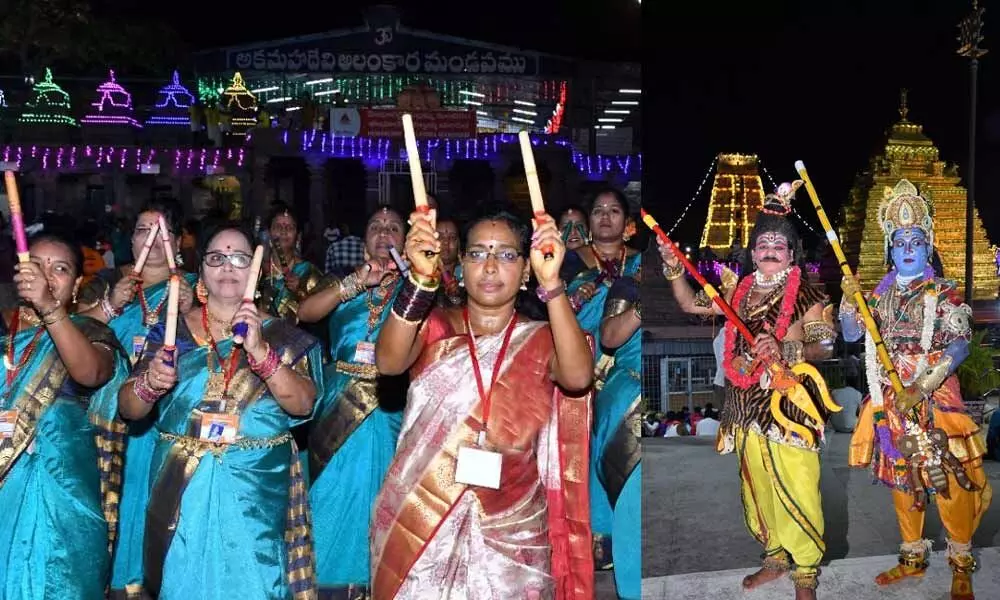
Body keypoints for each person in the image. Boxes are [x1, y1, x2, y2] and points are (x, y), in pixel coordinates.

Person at [371, 207, 594, 598]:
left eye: (507, 255)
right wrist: (420, 282)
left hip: (515, 526)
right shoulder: (435, 328)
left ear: (527, 269)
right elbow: (388, 362)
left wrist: (554, 285)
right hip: (422, 518)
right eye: (477, 253)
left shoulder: (543, 338)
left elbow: (578, 377)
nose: (490, 267)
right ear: (460, 266)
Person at [116, 222, 324, 598]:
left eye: (239, 258)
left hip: (256, 491)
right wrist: (150, 384)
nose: (227, 266)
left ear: (256, 273)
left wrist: (261, 352)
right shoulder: (172, 333)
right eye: (216, 257)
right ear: (202, 271)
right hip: (181, 489)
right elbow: (128, 408)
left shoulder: (283, 335)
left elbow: (304, 403)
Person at [660, 180, 836, 599]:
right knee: (757, 487)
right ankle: (775, 556)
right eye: (762, 244)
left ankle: (806, 571)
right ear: (752, 252)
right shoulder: (735, 292)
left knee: (797, 487)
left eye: (779, 244)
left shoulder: (808, 293)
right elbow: (688, 304)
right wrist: (672, 266)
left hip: (787, 407)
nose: (770, 249)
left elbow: (827, 344)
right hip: (744, 407)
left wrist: (787, 346)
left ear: (792, 253)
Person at [841, 180, 991, 600]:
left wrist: (922, 385)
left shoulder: (942, 292)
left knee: (951, 479)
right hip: (890, 399)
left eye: (917, 241)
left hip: (935, 394)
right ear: (890, 248)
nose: (908, 248)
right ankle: (912, 555)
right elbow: (853, 334)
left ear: (928, 248)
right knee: (903, 478)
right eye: (901, 241)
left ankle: (961, 559)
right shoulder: (878, 296)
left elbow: (960, 344)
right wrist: (849, 301)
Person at [1, 229, 129, 598]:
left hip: (62, 502)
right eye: (36, 265)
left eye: (59, 269)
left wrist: (50, 309)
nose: (45, 275)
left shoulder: (91, 333)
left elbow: (89, 373)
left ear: (75, 287)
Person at [81, 201, 196, 597]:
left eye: (162, 232)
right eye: (144, 230)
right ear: (131, 240)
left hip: (165, 418)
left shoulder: (195, 287)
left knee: (156, 507)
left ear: (177, 242)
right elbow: (73, 333)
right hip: (108, 419)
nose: (153, 239)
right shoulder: (104, 282)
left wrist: (193, 309)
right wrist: (112, 303)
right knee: (110, 504)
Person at [297, 207, 405, 597]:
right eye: (375, 226)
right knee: (329, 496)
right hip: (338, 401)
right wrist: (357, 283)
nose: (383, 233)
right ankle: (325, 582)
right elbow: (305, 313)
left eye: (394, 228)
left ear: (407, 240)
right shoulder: (343, 282)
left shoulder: (416, 289)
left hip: (391, 403)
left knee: (384, 495)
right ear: (363, 240)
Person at [561, 186, 641, 568]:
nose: (605, 217)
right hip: (580, 368)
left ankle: (628, 530)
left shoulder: (642, 264)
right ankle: (598, 537)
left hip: (624, 369)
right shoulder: (569, 262)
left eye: (613, 211)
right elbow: (556, 314)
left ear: (627, 223)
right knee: (584, 451)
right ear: (589, 222)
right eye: (598, 211)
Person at [594, 272, 642, 599]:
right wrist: (641, 307)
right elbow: (609, 337)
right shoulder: (629, 285)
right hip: (628, 399)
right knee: (629, 506)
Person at [257, 203, 324, 323]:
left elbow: (321, 314)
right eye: (278, 227)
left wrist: (300, 291)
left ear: (298, 237)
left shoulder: (308, 271)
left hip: (297, 339)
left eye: (290, 227)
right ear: (269, 234)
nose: (283, 231)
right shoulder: (257, 270)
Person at [435, 216, 464, 307]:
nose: (446, 242)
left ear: (458, 244)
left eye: (452, 237)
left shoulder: (468, 278)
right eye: (440, 237)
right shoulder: (420, 277)